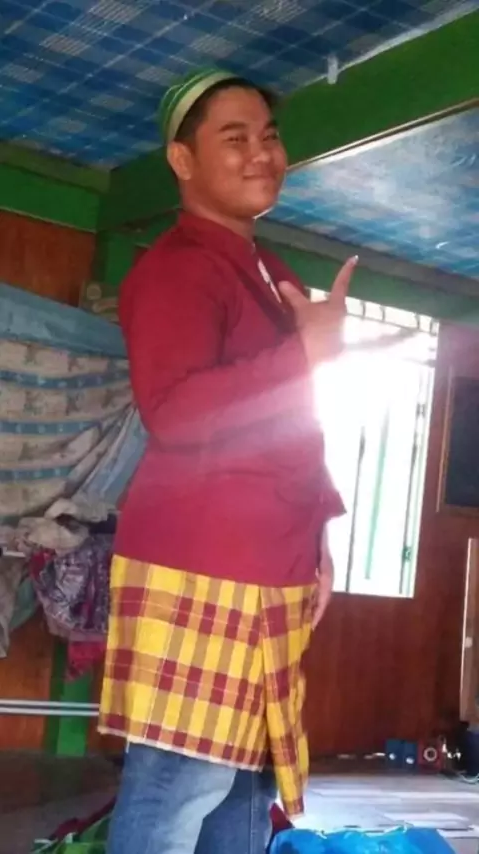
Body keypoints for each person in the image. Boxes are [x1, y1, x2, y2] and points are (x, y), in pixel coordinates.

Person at [98, 66, 375, 854]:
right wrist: (306, 353)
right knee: (180, 783)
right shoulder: (174, 269)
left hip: (269, 564)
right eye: (235, 138)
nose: (261, 154)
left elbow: (291, 420)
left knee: (242, 790)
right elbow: (176, 412)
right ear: (182, 161)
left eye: (270, 136)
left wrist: (318, 534)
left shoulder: (273, 271)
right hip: (203, 564)